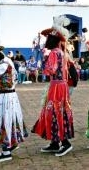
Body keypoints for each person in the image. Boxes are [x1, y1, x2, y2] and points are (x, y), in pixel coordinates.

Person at [31, 15, 74, 157]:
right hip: (60, 86)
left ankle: (65, 143)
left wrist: (45, 60)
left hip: (56, 87)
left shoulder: (54, 53)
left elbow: (50, 70)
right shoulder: (61, 52)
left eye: (48, 38)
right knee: (57, 112)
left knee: (55, 112)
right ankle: (55, 142)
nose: (46, 40)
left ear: (53, 40)